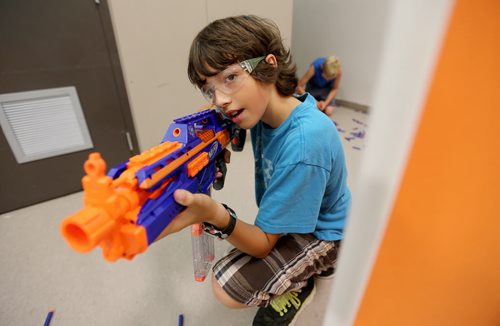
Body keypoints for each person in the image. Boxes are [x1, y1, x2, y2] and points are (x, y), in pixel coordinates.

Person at [158, 15, 351, 326]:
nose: (220, 99)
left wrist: (214, 214)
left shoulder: (304, 144)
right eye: (209, 88)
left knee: (226, 286)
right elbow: (221, 119)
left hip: (326, 232)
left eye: (230, 77)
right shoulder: (268, 107)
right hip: (303, 210)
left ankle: (309, 276)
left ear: (268, 65)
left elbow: (262, 242)